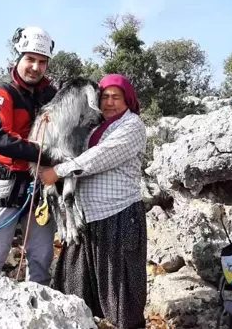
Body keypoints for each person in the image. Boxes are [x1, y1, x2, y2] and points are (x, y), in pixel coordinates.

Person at [40, 74, 148, 329]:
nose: (109, 103)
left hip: (118, 216)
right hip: (85, 218)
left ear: (128, 100)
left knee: (119, 290)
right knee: (73, 285)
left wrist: (59, 171)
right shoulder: (94, 127)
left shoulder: (132, 126)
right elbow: (69, 145)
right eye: (104, 97)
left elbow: (101, 156)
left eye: (116, 97)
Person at [0, 26, 57, 285]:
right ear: (19, 59)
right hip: (6, 183)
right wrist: (48, 155)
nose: (35, 67)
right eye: (30, 59)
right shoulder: (1, 94)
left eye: (42, 62)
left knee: (41, 258)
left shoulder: (52, 98)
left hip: (40, 187)